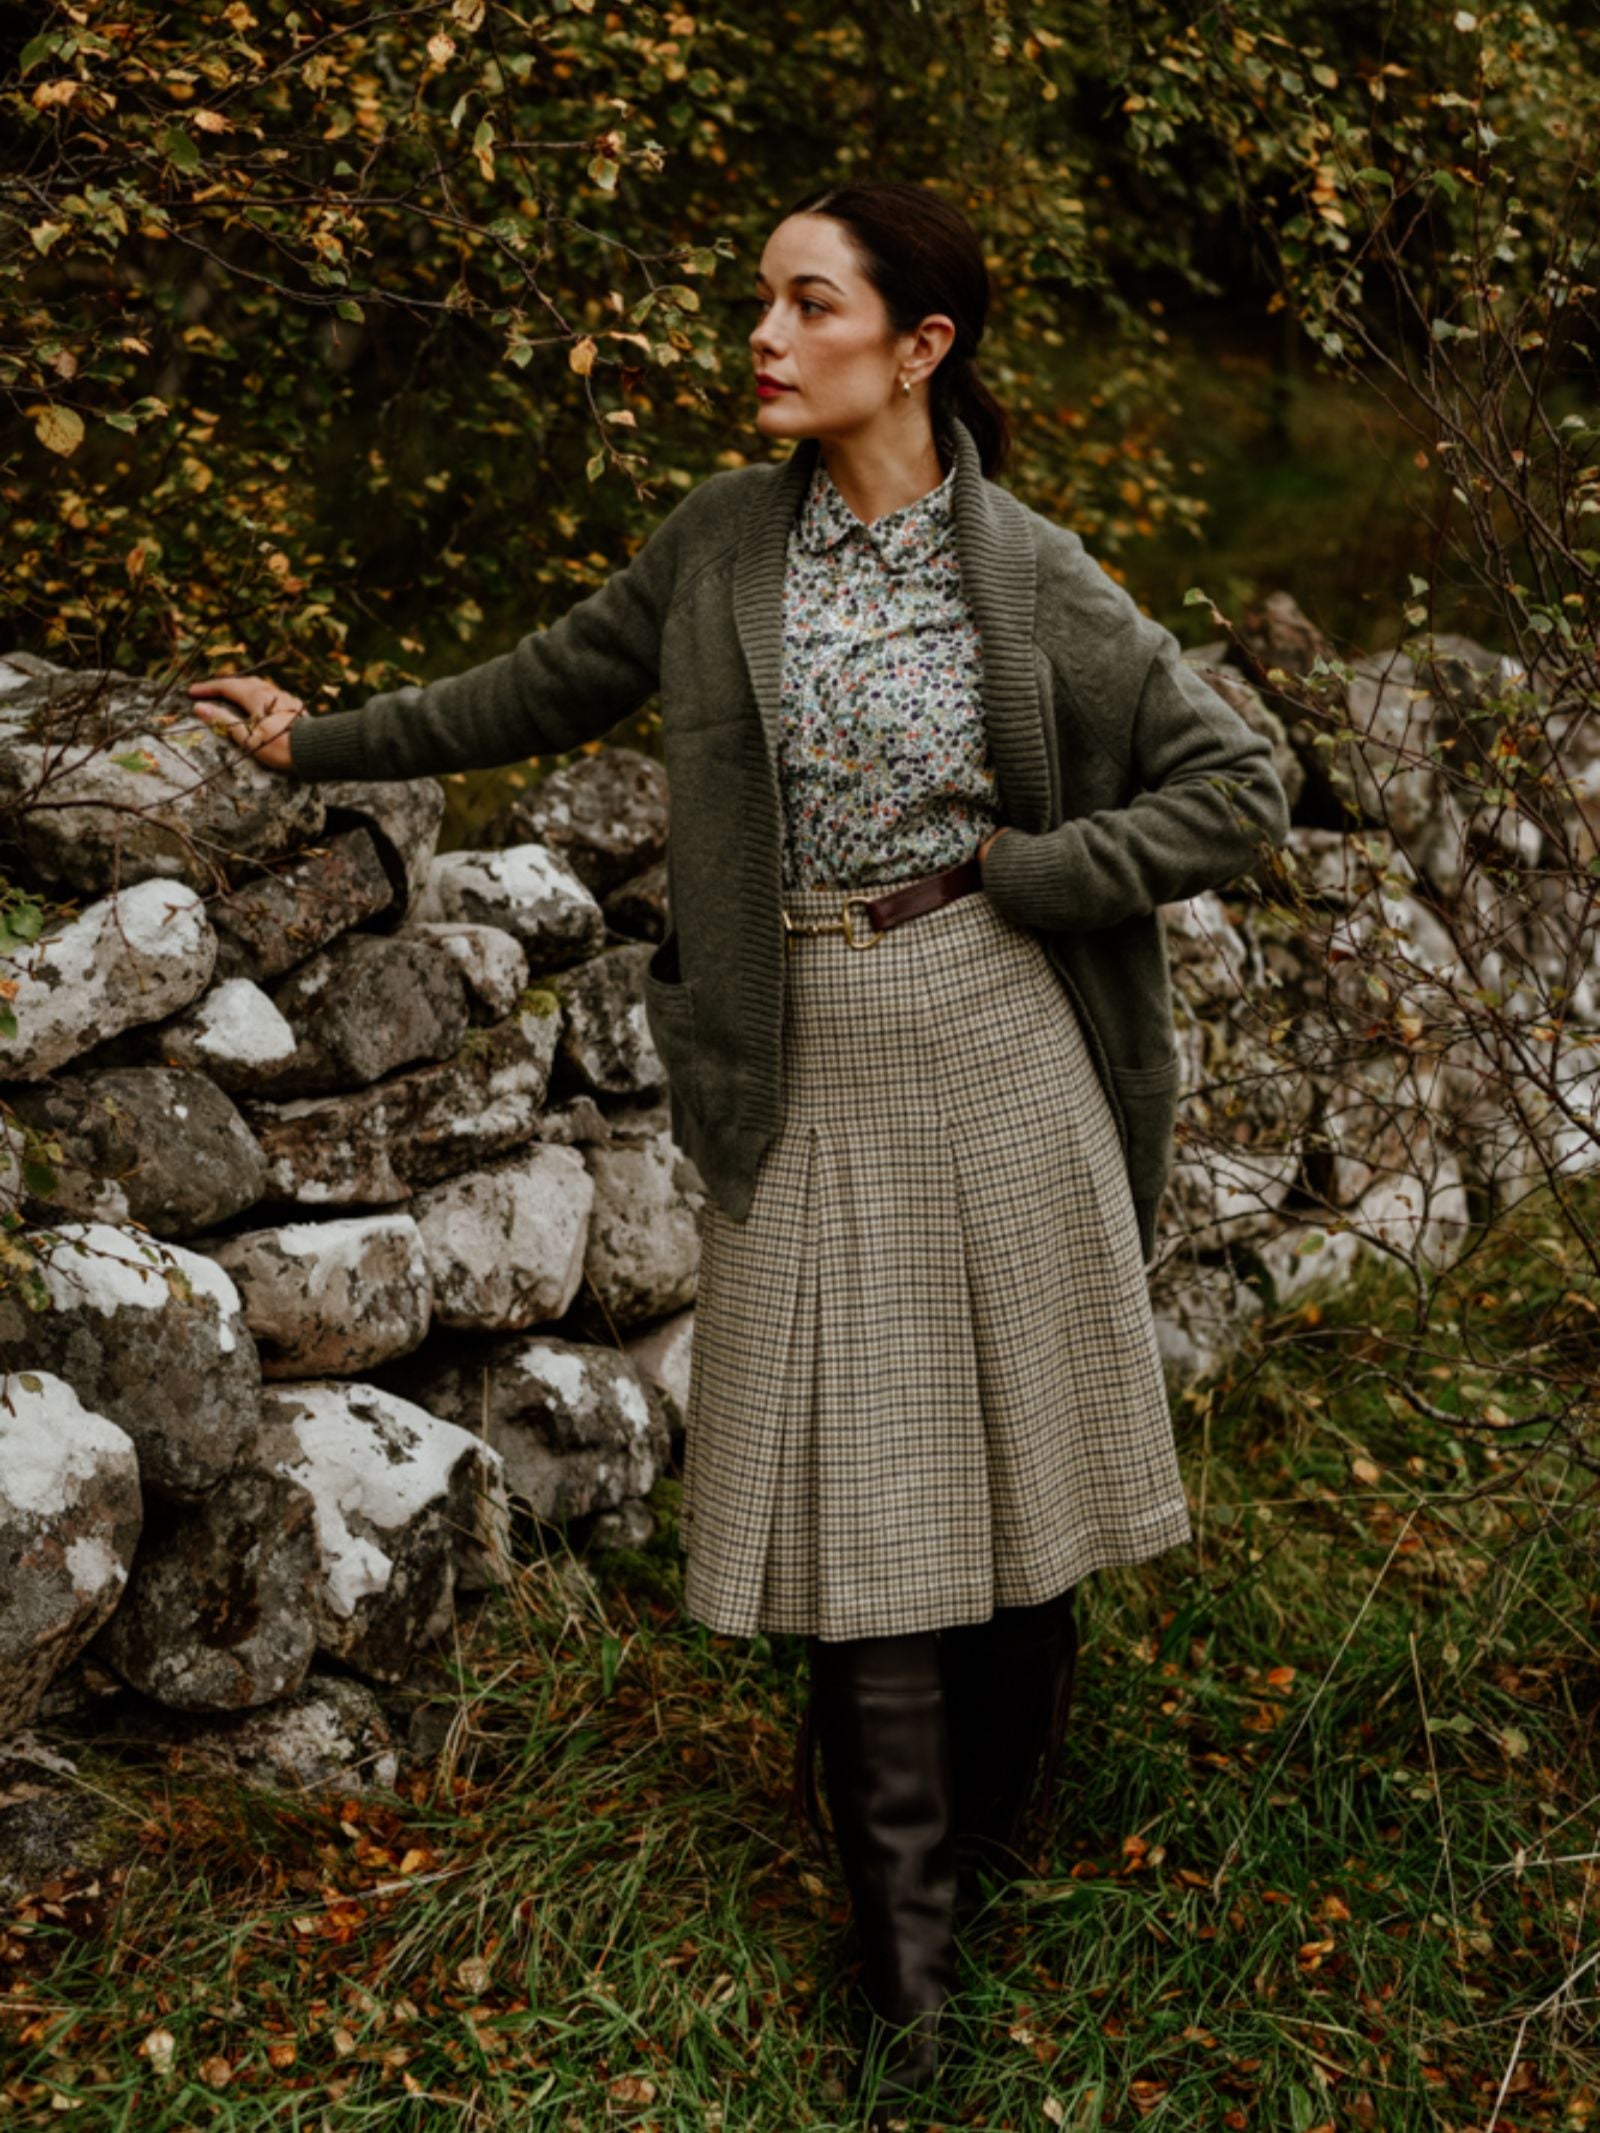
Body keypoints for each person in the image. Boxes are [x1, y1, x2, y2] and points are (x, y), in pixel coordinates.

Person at [193, 178, 1291, 2124]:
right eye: (759, 304)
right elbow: (533, 684)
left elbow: (1237, 778)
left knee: (1013, 1466)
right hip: (798, 1059)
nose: (762, 340)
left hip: (997, 1035)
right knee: (868, 1504)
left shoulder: (1026, 573)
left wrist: (1043, 869)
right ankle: (908, 1961)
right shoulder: (720, 547)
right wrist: (314, 741)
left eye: (805, 305)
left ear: (917, 345)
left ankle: (1006, 1809)